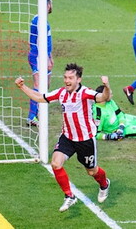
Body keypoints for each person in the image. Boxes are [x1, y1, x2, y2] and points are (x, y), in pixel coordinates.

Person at [14, 63, 112, 212]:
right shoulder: (61, 93)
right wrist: (22, 87)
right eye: (65, 77)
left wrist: (106, 86)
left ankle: (104, 184)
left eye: (71, 78)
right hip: (67, 137)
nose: (67, 80)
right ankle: (69, 196)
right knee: (55, 163)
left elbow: (104, 97)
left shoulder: (86, 93)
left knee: (92, 171)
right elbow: (40, 97)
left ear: (78, 79)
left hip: (85, 140)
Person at [27, 0, 53, 126]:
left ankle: (37, 111)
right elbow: (40, 42)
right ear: (47, 5)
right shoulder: (40, 21)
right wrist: (46, 58)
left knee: (46, 83)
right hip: (38, 56)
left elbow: (46, 42)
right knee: (38, 84)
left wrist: (50, 56)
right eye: (51, 3)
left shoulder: (40, 19)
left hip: (41, 55)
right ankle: (31, 116)